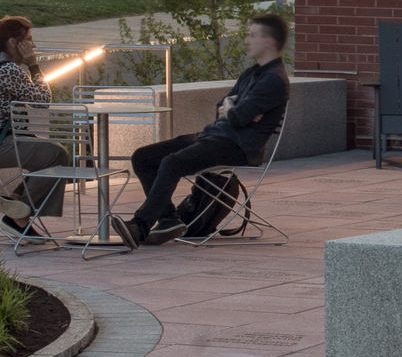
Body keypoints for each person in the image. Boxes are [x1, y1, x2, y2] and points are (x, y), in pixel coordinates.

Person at [113, 14, 290, 248]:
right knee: (143, 157)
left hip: (236, 147)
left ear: (269, 41)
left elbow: (236, 119)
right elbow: (222, 106)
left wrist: (232, 108)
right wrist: (232, 106)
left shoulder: (274, 80)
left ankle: (139, 225)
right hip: (214, 136)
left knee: (172, 163)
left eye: (252, 35)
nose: (247, 40)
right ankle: (168, 220)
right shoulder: (252, 73)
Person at [0, 16, 67, 230]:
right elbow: (43, 102)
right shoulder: (7, 70)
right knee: (56, 155)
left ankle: (16, 202)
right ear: (13, 43)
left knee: (50, 153)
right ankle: (19, 213)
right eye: (29, 39)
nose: (34, 46)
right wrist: (35, 66)